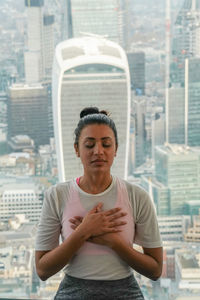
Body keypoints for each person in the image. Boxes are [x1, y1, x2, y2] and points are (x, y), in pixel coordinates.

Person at [35, 107, 163, 300]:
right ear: (77, 149)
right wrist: (83, 231)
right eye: (89, 145)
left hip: (125, 292)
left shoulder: (137, 196)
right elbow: (43, 270)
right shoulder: (57, 195)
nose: (98, 151)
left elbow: (155, 270)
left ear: (116, 149)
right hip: (73, 291)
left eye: (106, 144)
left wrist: (114, 242)